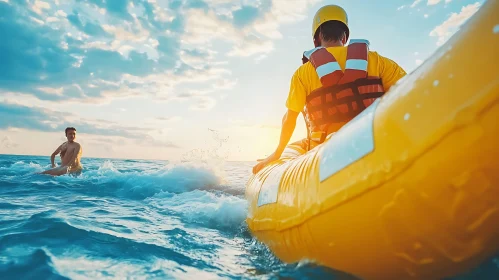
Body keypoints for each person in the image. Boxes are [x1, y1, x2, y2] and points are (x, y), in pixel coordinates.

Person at [253, 5, 407, 174]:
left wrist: (276, 153)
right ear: (345, 36)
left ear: (317, 37)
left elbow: (289, 119)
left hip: (325, 159)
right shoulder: (378, 61)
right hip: (376, 145)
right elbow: (408, 93)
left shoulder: (303, 73)